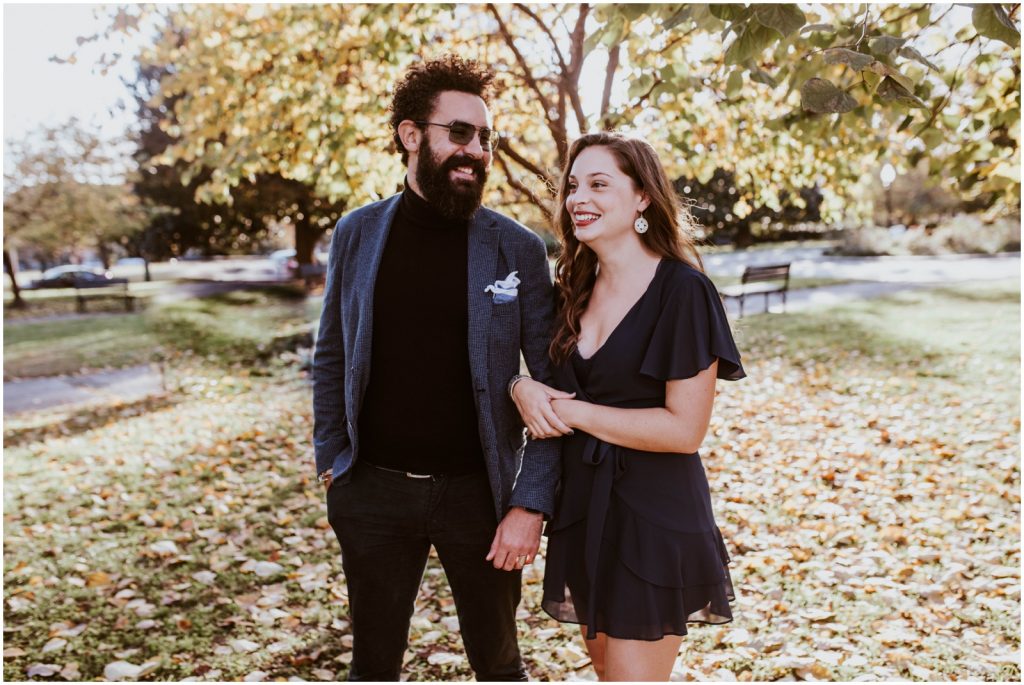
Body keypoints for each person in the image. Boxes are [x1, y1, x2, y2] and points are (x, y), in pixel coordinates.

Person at [312, 55, 563, 681]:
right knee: (372, 665)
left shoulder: (518, 249)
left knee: (500, 663)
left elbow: (558, 388)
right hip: (370, 489)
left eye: (485, 137)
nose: (476, 150)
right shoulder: (356, 234)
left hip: (481, 495)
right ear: (410, 135)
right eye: (460, 133)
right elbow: (332, 353)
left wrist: (528, 504)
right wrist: (332, 458)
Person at [511, 132, 745, 681]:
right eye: (572, 186)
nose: (577, 199)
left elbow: (685, 429)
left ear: (642, 197)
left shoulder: (682, 292)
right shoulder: (574, 288)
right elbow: (539, 379)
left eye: (599, 184)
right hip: (583, 510)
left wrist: (571, 413)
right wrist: (519, 388)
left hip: (652, 515)